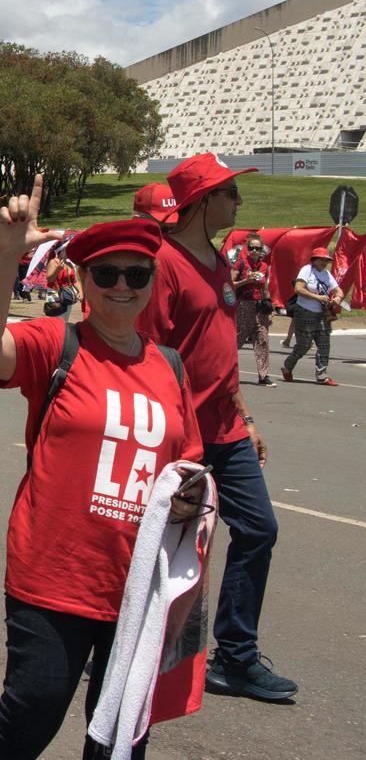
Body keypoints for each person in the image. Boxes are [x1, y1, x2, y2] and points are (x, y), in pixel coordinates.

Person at [0, 191, 205, 759]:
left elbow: (186, 463)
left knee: (121, 733)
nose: (123, 285)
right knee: (31, 712)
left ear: (151, 279)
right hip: (55, 575)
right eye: (106, 273)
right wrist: (6, 255)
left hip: (139, 585)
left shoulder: (169, 366)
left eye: (137, 273)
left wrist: (194, 495)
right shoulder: (57, 344)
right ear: (83, 280)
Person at [136, 152, 296, 701]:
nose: (240, 202)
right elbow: (149, 358)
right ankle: (122, 642)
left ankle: (236, 657)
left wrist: (246, 417)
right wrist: (171, 435)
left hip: (227, 429)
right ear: (204, 201)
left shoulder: (218, 262)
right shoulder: (163, 264)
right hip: (182, 435)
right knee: (161, 544)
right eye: (231, 193)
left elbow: (219, 355)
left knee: (259, 529)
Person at [282, 246, 343, 386]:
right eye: (321, 259)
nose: (324, 262)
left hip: (322, 314)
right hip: (305, 312)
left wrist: (338, 298)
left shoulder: (327, 274)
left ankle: (322, 375)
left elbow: (338, 290)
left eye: (326, 260)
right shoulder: (307, 270)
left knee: (324, 344)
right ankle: (287, 366)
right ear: (314, 260)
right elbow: (298, 289)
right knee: (304, 345)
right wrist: (318, 297)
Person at [232, 233, 275, 386]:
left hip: (259, 306)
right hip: (244, 304)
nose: (255, 251)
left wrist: (269, 305)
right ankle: (225, 369)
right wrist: (246, 281)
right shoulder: (240, 264)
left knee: (262, 339)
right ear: (247, 249)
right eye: (252, 248)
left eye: (258, 248)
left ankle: (263, 375)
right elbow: (231, 284)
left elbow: (265, 287)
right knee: (237, 338)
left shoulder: (264, 267)